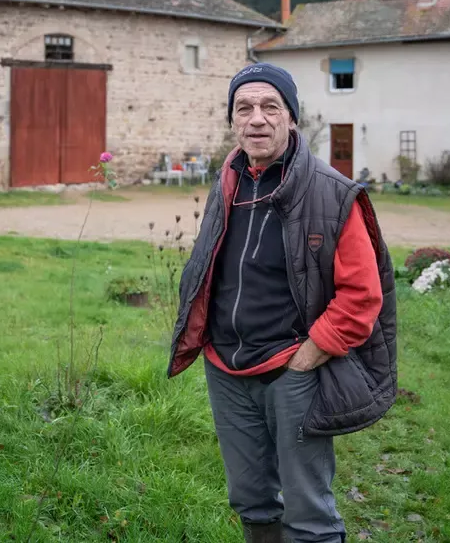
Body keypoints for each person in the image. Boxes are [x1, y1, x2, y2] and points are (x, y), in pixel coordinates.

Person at [167, 63, 397, 543]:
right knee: (250, 498)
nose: (257, 119)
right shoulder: (229, 180)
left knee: (309, 510)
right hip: (226, 368)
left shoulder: (331, 193)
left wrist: (307, 357)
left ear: (292, 117)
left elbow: (362, 296)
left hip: (292, 368)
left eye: (270, 106)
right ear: (232, 120)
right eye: (244, 108)